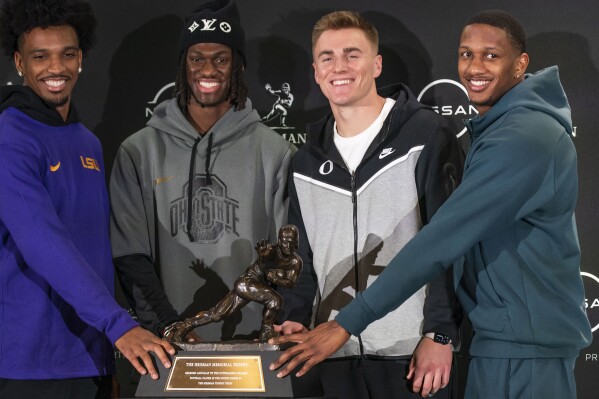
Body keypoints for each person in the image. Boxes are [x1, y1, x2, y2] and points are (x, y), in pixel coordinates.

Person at [270, 9, 593, 399]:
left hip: (517, 346)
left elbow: (441, 242)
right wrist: (298, 317)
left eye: (491, 55)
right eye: (466, 54)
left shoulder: (520, 136)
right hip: (496, 342)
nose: (475, 66)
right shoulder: (498, 130)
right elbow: (300, 255)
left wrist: (428, 329)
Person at [273, 11, 464, 399]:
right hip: (328, 353)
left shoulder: (427, 134)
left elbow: (450, 245)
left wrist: (440, 334)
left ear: (376, 64)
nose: (339, 67)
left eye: (352, 54)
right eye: (327, 57)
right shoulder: (307, 158)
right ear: (315, 70)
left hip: (409, 354)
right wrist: (294, 318)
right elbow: (302, 257)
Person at [0, 0, 175, 398]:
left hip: (92, 355)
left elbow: (94, 251)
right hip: (29, 363)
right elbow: (44, 243)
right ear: (19, 63)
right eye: (40, 56)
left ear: (81, 60)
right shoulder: (9, 137)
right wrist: (120, 326)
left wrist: (104, 349)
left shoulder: (87, 142)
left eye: (68, 54)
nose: (56, 68)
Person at [109, 0, 295, 344]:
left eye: (221, 59)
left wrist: (275, 327)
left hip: (254, 345)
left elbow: (292, 258)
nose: (208, 70)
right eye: (197, 58)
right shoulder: (138, 151)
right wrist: (167, 326)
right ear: (183, 65)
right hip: (169, 344)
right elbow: (129, 255)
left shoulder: (275, 152)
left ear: (237, 66)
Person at [164, 224, 302, 342]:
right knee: (275, 300)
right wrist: (262, 257)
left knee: (217, 314)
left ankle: (183, 326)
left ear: (296, 242)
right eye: (284, 241)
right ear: (279, 240)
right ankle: (266, 331)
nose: (287, 246)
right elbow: (262, 264)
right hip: (247, 282)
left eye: (291, 241)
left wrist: (275, 279)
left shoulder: (296, 262)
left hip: (251, 286)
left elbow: (291, 283)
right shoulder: (271, 250)